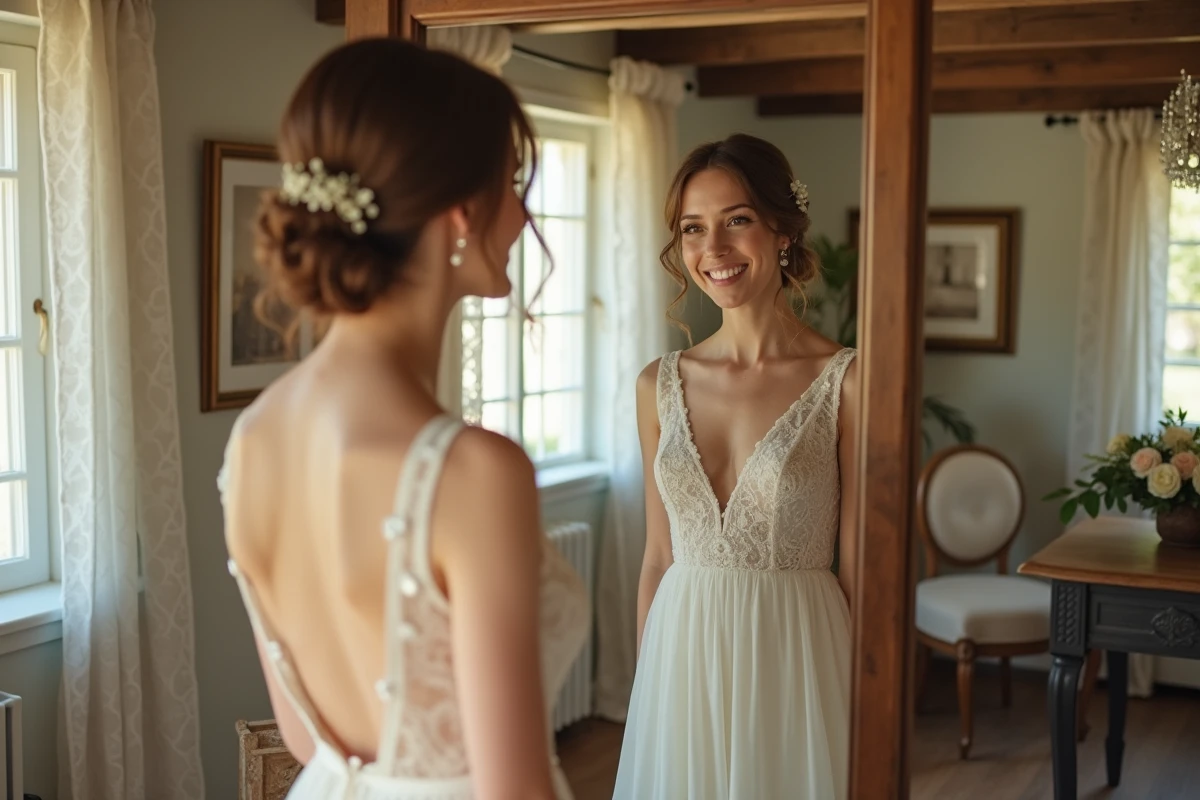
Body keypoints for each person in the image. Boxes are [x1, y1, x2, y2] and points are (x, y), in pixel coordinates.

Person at [218, 38, 589, 800]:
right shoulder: (471, 471)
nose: (522, 214)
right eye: (512, 183)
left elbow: (302, 735)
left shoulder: (252, 439)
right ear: (462, 213)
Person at [612, 133, 858, 799]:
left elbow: (864, 564)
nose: (713, 250)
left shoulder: (847, 381)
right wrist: (649, 688)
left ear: (782, 229)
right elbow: (659, 557)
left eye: (736, 221)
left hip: (799, 660)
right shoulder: (655, 384)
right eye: (694, 229)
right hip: (682, 661)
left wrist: (869, 695)